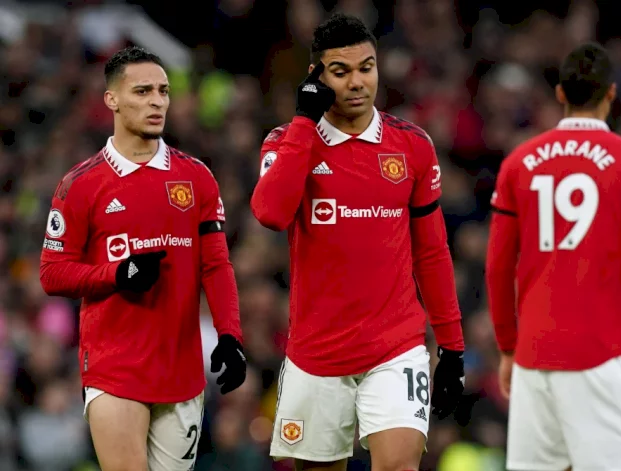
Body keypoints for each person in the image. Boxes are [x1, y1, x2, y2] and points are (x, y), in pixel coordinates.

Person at [251, 13, 465, 471]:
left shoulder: (411, 146)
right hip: (316, 353)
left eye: (366, 68)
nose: (356, 82)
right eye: (341, 71)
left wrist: (451, 344)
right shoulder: (288, 143)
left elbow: (431, 251)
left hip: (396, 347)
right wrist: (304, 121)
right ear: (317, 77)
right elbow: (270, 213)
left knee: (399, 464)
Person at [39, 46, 247, 471]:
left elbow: (216, 265)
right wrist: (117, 274)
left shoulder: (197, 177)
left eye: (164, 91)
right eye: (143, 91)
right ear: (112, 99)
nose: (157, 101)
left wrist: (230, 335)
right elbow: (52, 273)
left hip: (182, 371)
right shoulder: (80, 184)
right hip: (113, 368)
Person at [485, 42, 621, 471]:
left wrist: (508, 347)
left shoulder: (518, 162)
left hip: (533, 357)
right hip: (601, 355)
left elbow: (496, 267)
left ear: (560, 94)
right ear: (611, 94)